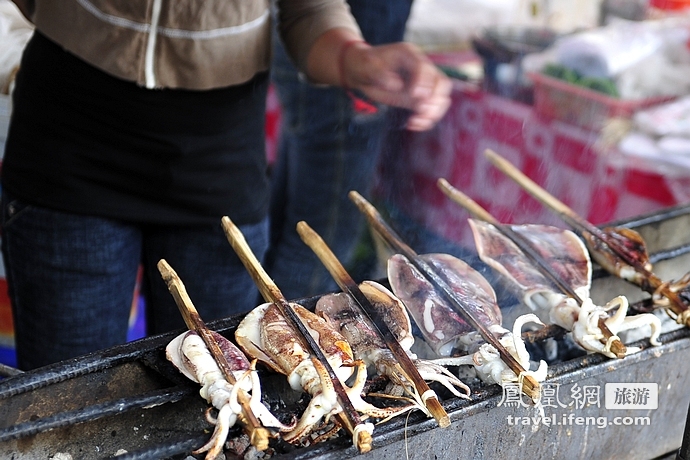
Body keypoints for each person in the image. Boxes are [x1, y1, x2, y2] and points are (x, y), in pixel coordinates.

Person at [2, 0, 451, 371]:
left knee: (221, 401)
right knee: (74, 405)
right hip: (68, 144)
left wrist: (354, 59)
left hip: (218, 164)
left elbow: (307, 9)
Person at [264, 0, 418, 299]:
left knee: (298, 211)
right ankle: (290, 333)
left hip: (320, 41)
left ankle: (265, 317)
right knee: (324, 235)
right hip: (336, 46)